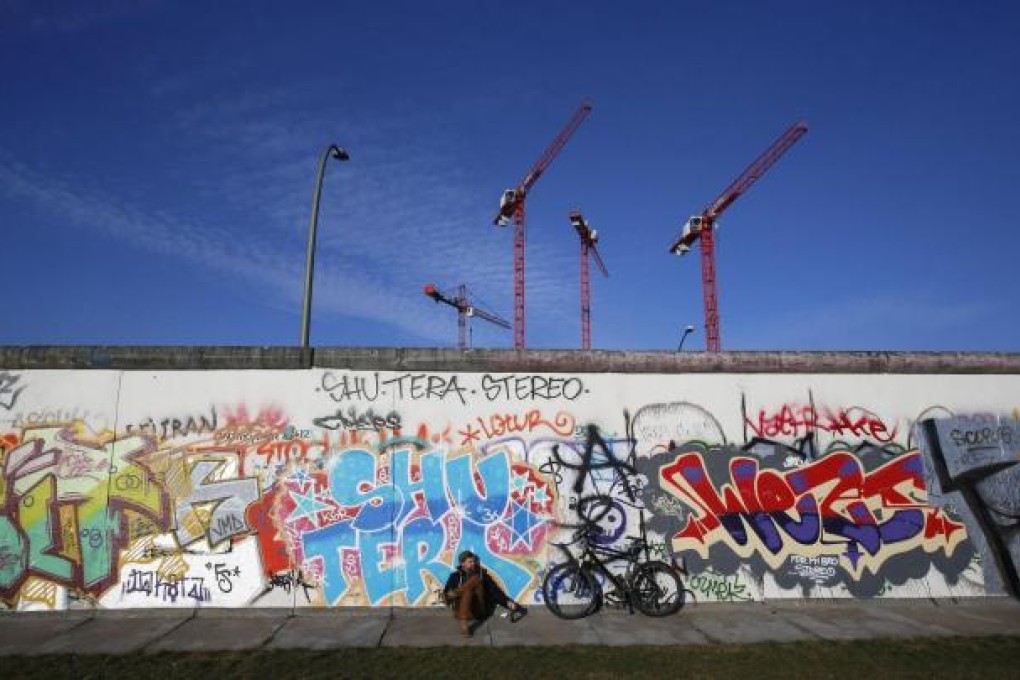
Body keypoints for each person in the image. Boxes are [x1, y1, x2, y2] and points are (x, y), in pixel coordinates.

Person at [443, 550, 527, 637]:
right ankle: (464, 624)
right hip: (461, 611)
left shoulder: (482, 576)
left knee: (475, 579)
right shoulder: (454, 576)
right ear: (462, 563)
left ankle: (464, 626)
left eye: (474, 561)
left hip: (478, 609)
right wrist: (449, 597)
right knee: (468, 591)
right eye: (470, 562)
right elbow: (447, 593)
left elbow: (496, 592)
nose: (474, 563)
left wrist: (508, 602)